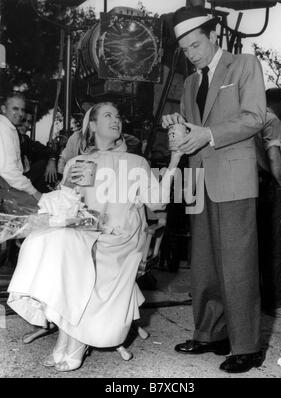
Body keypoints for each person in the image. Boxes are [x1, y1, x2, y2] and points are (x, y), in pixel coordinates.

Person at [7, 102, 182, 372]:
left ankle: (72, 341)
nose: (116, 120)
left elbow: (157, 203)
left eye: (118, 116)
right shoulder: (78, 162)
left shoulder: (137, 162)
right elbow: (67, 204)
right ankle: (69, 337)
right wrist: (67, 189)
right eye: (108, 116)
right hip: (87, 233)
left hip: (120, 238)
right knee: (44, 241)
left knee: (73, 251)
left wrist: (175, 159)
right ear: (92, 125)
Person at [162, 6, 266, 373]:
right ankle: (210, 334)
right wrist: (179, 124)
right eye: (186, 49)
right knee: (204, 263)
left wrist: (208, 134)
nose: (191, 54)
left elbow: (254, 118)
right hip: (198, 179)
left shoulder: (245, 65)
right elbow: (194, 128)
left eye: (195, 45)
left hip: (234, 178)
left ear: (213, 36)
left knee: (237, 263)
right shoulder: (191, 83)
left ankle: (247, 345)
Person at [256, 88, 281, 319]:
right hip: (273, 187)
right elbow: (272, 154)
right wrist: (280, 181)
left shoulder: (258, 119)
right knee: (276, 244)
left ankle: (266, 297)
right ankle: (274, 300)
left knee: (264, 241)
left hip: (261, 184)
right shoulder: (273, 120)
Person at [0, 92, 42, 205]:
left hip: (11, 184)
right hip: (6, 187)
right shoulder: (3, 129)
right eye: (15, 109)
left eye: (22, 110)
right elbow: (7, 171)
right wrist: (34, 192)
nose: (20, 113)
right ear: (3, 109)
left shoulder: (10, 128)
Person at [18, 111, 58, 193]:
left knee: (44, 163)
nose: (26, 125)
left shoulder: (26, 140)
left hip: (26, 180)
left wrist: (52, 160)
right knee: (42, 164)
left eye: (29, 122)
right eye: (23, 120)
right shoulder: (8, 140)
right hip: (12, 183)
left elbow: (45, 150)